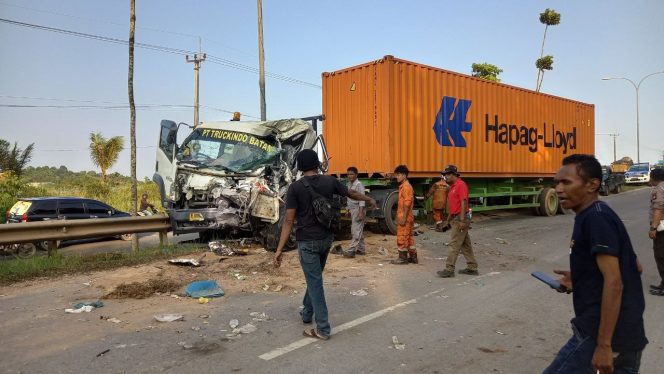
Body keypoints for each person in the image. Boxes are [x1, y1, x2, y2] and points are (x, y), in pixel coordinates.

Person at [544, 154, 647, 374]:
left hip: (604, 336)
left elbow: (615, 282)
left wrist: (604, 346)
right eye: (557, 183)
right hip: (620, 333)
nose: (559, 189)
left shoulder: (595, 219)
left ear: (592, 185)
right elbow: (634, 265)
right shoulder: (596, 214)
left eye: (566, 182)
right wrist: (581, 278)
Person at [273, 149, 376, 340]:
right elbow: (351, 193)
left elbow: (288, 221)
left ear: (300, 166)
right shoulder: (330, 181)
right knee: (315, 278)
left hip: (307, 242)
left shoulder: (295, 188)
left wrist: (279, 249)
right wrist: (368, 198)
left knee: (315, 282)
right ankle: (306, 313)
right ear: (317, 164)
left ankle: (323, 329)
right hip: (326, 239)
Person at [437, 165, 478, 277]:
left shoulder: (461, 185)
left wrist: (462, 220)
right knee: (465, 245)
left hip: (461, 218)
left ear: (453, 175)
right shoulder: (452, 187)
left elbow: (463, 201)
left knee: (454, 244)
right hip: (456, 218)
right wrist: (448, 220)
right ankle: (472, 267)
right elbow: (453, 205)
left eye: (447, 175)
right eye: (445, 175)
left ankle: (449, 269)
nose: (445, 177)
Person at [391, 165, 417, 264]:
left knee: (402, 237)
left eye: (398, 175)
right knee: (409, 237)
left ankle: (402, 258)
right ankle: (413, 257)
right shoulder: (405, 186)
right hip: (407, 216)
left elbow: (407, 203)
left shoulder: (406, 187)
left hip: (405, 217)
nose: (396, 177)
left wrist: (404, 218)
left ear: (404, 175)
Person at [343, 166, 366, 258]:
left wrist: (360, 212)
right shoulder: (349, 184)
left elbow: (362, 199)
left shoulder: (359, 185)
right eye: (348, 174)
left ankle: (351, 250)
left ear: (356, 175)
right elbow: (349, 198)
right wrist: (347, 209)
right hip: (352, 209)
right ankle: (361, 249)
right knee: (358, 229)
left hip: (358, 209)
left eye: (351, 174)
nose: (349, 176)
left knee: (356, 229)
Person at [648, 168, 664, 295]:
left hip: (662, 229)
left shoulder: (659, 189)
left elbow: (658, 210)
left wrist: (653, 228)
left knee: (661, 256)